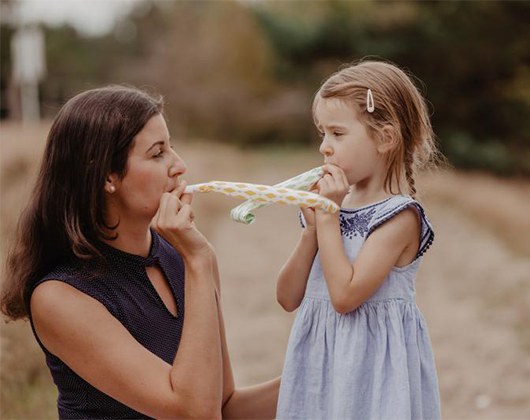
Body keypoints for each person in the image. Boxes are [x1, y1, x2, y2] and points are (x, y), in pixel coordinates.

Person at [0, 85, 279, 419]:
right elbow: (194, 412)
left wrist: (332, 372)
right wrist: (199, 261)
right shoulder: (60, 296)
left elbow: (224, 406)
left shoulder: (182, 259)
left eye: (171, 148)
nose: (179, 166)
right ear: (107, 175)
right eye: (158, 153)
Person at [275, 59, 442, 419]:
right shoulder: (332, 208)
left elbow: (345, 297)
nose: (324, 147)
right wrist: (311, 235)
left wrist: (327, 219)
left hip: (372, 370)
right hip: (322, 363)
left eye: (337, 133)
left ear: (385, 138)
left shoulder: (399, 217)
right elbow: (288, 298)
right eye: (322, 133)